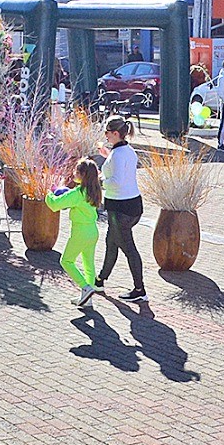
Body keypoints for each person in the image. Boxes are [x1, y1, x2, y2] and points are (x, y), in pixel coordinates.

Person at [96, 117, 147, 302]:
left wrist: (100, 180)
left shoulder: (117, 154)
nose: (106, 136)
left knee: (128, 248)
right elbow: (121, 168)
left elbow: (116, 181)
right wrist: (106, 155)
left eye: (107, 133)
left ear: (115, 133)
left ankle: (139, 290)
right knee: (111, 242)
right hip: (132, 206)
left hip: (121, 209)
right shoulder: (126, 150)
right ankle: (101, 279)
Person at [47, 158, 104, 309]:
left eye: (76, 171)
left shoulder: (77, 193)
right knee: (89, 265)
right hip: (93, 231)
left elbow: (55, 205)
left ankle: (85, 288)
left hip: (80, 232)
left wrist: (48, 193)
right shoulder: (94, 191)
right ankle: (87, 299)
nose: (74, 173)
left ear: (82, 175)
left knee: (66, 261)